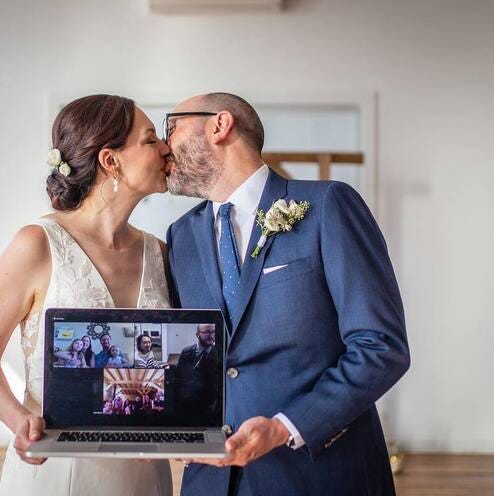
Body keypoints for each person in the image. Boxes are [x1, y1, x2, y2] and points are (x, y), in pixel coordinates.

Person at [165, 93, 410, 496]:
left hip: (321, 473)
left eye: (171, 127)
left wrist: (284, 427)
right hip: (212, 480)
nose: (164, 144)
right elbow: (192, 357)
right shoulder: (181, 235)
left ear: (219, 125)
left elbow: (381, 346)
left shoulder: (327, 205)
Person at [0, 94, 173, 496]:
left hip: (145, 473)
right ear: (111, 161)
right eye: (150, 140)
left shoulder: (160, 252)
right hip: (56, 467)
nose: (166, 147)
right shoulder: (36, 244)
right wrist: (18, 419)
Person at [174, 324, 221, 423]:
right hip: (188, 405)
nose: (211, 335)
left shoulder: (220, 352)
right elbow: (179, 378)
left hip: (211, 407)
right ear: (197, 335)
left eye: (213, 332)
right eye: (207, 332)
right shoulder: (186, 352)